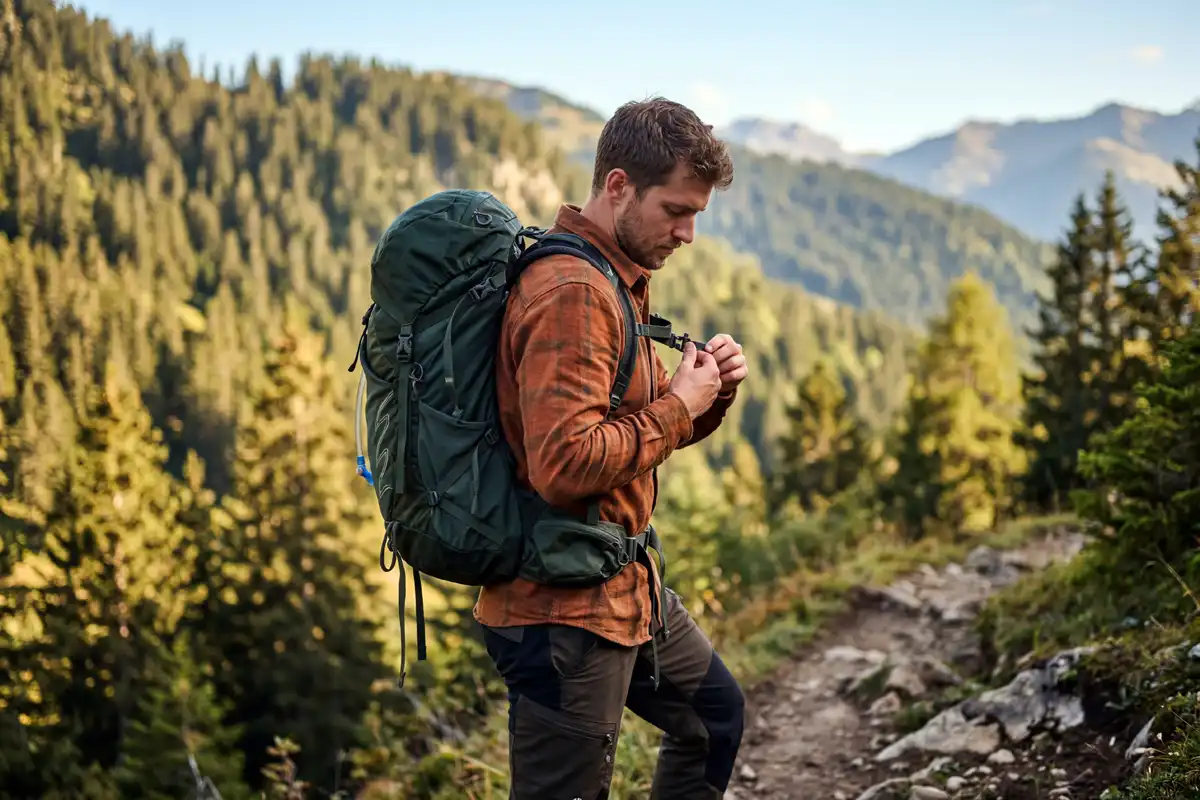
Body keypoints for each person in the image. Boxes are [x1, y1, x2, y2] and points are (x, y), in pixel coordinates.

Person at [473, 96, 747, 799]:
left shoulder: (614, 280)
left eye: (697, 215)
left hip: (624, 587)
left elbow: (636, 428)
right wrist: (677, 407)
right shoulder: (572, 291)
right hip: (561, 614)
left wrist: (704, 397)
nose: (688, 233)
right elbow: (566, 467)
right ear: (618, 186)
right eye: (677, 210)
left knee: (714, 720)